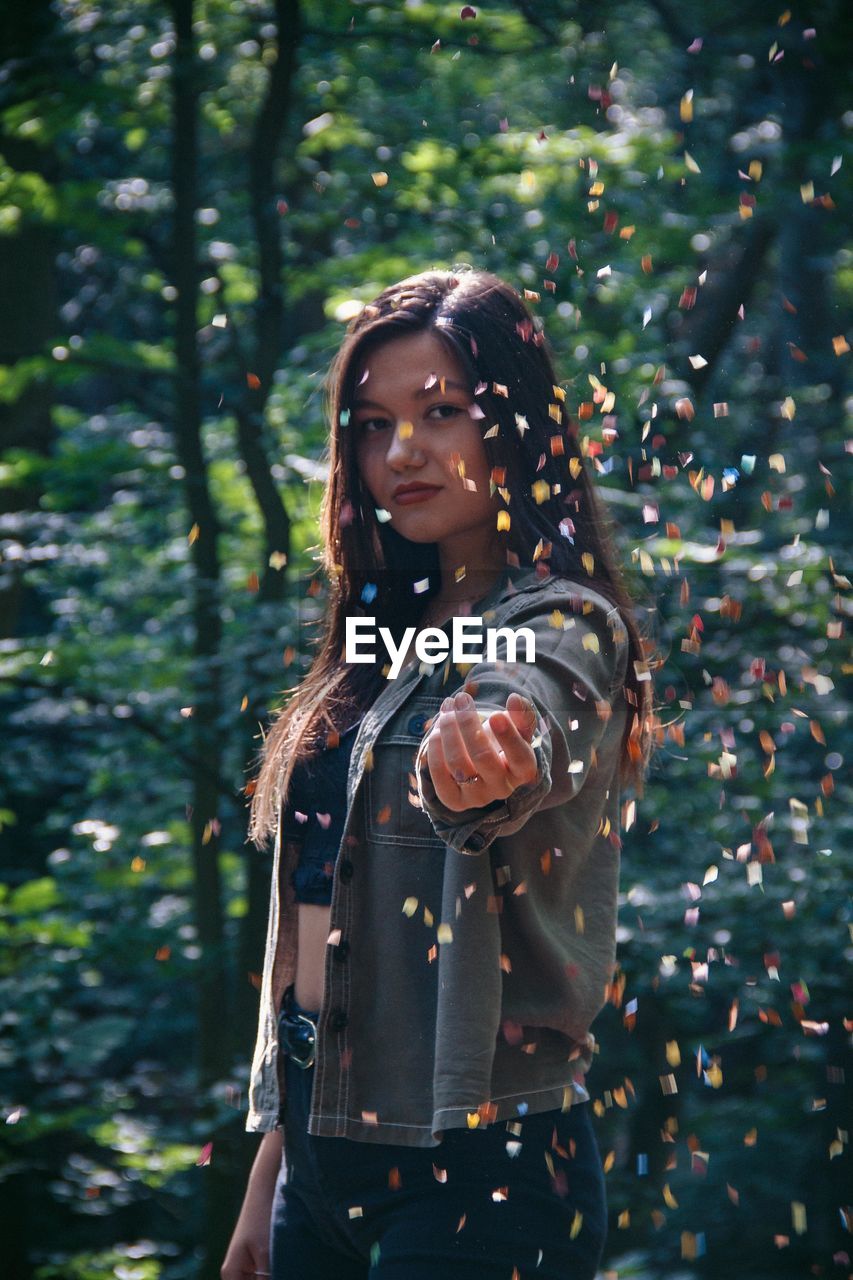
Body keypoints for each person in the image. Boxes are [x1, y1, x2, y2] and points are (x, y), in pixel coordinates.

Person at [220, 268, 652, 1280]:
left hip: (484, 1168)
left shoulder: (565, 622)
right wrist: (273, 1171)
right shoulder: (372, 646)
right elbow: (329, 924)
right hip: (320, 1156)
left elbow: (526, 717)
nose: (400, 450)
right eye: (372, 424)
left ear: (517, 427)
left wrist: (489, 756)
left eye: (441, 411)